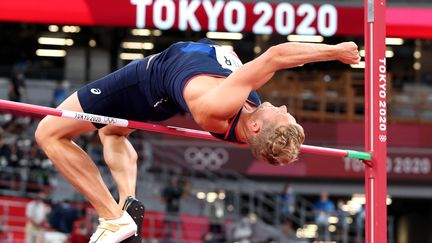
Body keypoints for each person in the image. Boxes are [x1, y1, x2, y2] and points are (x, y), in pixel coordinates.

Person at [34, 38, 360, 242]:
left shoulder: (224, 108)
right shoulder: (252, 123)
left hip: (147, 81)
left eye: (283, 114)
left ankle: (111, 217)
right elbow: (276, 147)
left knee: (48, 133)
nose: (285, 107)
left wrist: (335, 51)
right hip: (167, 92)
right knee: (111, 132)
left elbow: (275, 55)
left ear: (258, 129)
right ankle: (127, 204)